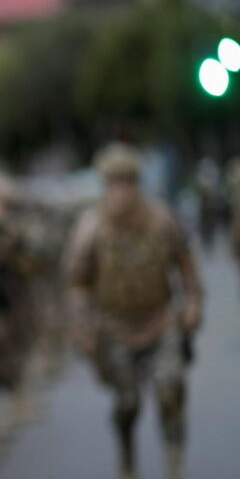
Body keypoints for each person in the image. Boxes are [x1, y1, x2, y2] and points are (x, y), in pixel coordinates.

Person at [64, 143, 203, 479]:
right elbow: (77, 282)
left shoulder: (161, 219)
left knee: (170, 389)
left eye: (127, 183)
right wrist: (83, 324)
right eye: (113, 184)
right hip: (115, 327)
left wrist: (193, 304)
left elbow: (186, 268)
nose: (120, 192)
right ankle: (127, 459)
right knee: (127, 403)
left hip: (161, 320)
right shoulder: (91, 227)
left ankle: (175, 463)